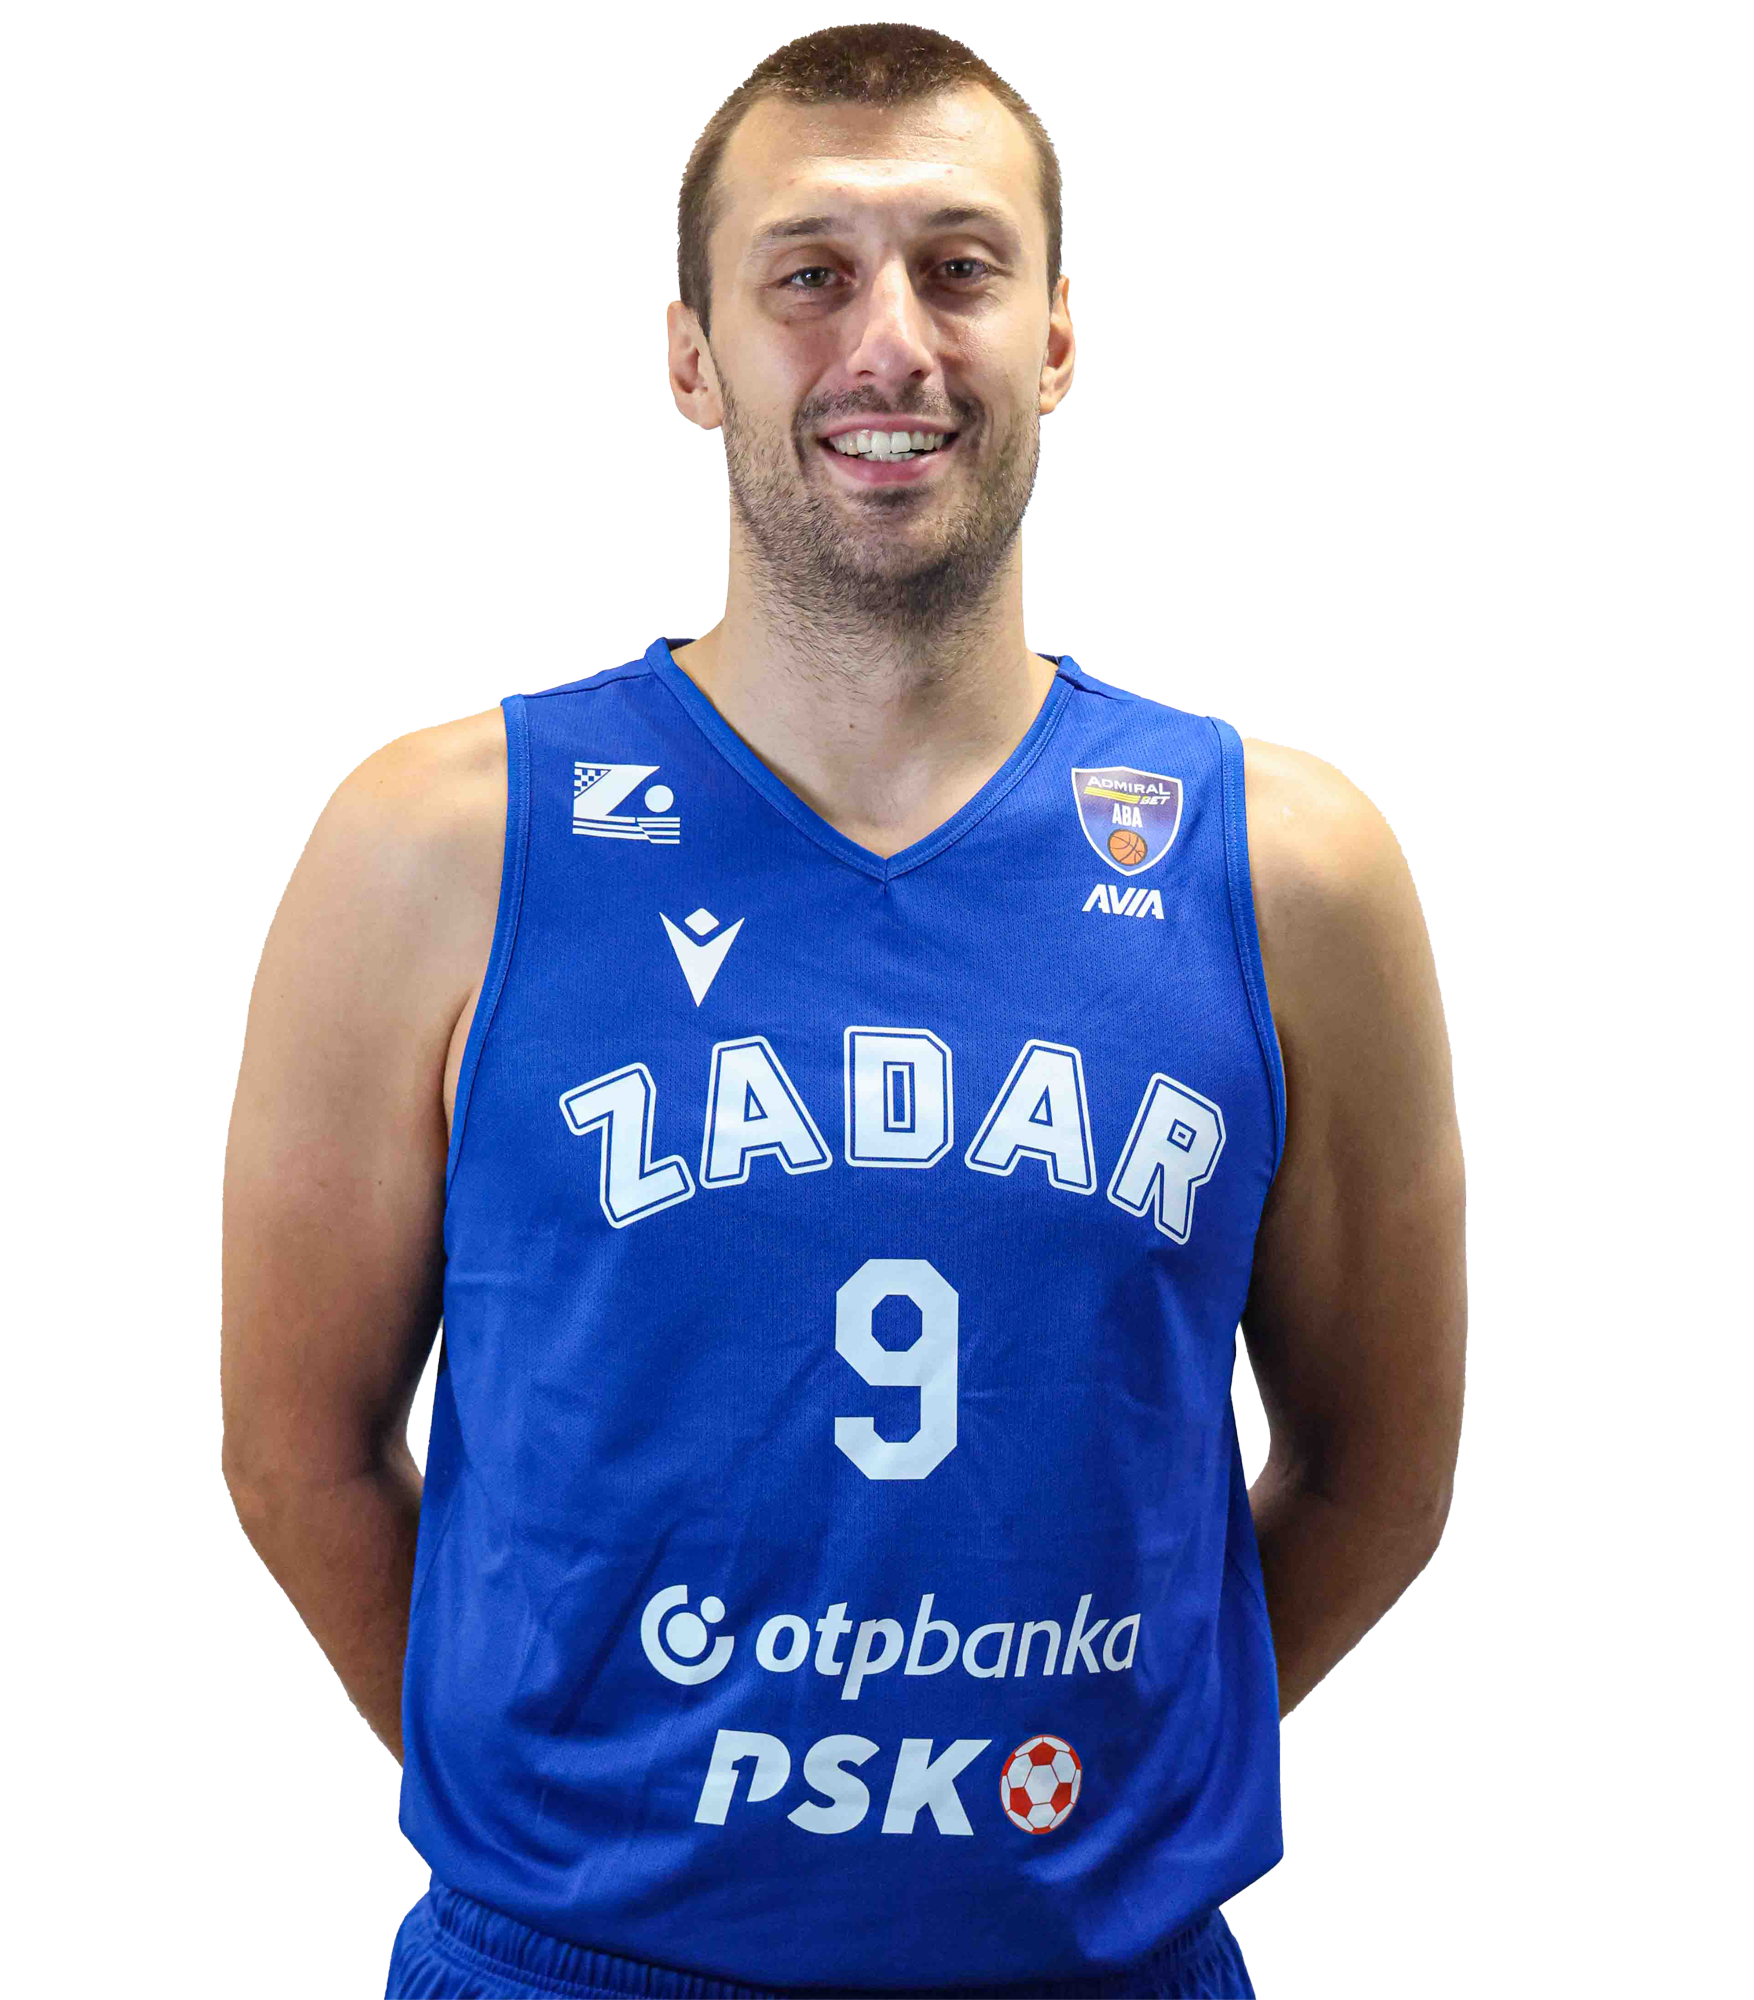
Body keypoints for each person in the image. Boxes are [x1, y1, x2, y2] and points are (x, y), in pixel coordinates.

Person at [222, 22, 1465, 2000]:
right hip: (562, 1967)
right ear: (693, 354)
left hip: (1094, 1968)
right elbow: (293, 1445)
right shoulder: (437, 844)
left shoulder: (1286, 868)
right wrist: (568, 1826)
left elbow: (1379, 1470)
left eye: (961, 268)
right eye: (808, 274)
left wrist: (1105, 1810)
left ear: (1056, 336)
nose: (891, 341)